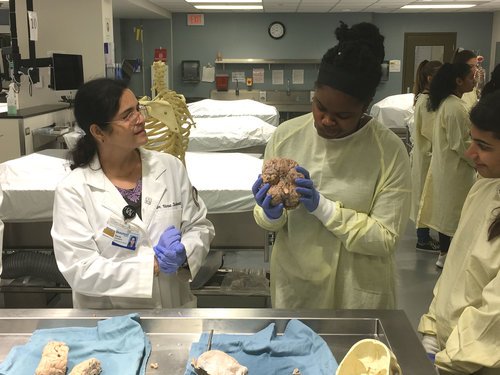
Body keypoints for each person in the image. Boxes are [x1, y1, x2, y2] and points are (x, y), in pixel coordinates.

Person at [252, 21, 411, 310]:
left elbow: (385, 238)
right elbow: (271, 223)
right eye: (320, 107)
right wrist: (269, 211)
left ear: (365, 106)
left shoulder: (388, 152)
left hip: (358, 290)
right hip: (298, 284)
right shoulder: (286, 137)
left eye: (343, 115)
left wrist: (322, 207)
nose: (326, 120)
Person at [51, 78, 214, 309]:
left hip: (172, 313)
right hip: (109, 324)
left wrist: (184, 252)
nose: (141, 118)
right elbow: (80, 269)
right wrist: (152, 266)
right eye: (127, 115)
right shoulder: (74, 190)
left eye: (138, 109)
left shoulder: (169, 168)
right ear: (98, 131)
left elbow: (200, 226)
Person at [419, 90, 500, 374]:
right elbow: (455, 269)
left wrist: (448, 362)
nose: (470, 153)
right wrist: (432, 330)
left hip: (476, 362)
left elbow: (494, 318)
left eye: (483, 145)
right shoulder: (484, 189)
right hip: (450, 349)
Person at [417, 63, 476, 268]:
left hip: (447, 167)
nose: (475, 81)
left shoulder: (446, 104)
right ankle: (450, 255)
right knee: (455, 212)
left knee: (446, 211)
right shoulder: (456, 107)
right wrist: (479, 161)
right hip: (456, 171)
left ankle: (444, 253)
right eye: (471, 78)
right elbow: (461, 144)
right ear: (458, 81)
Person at [411, 60, 443, 253]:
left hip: (425, 155)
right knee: (425, 197)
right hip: (428, 156)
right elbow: (432, 132)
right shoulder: (428, 101)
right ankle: (422, 239)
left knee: (424, 196)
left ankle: (423, 237)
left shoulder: (425, 99)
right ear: (430, 78)